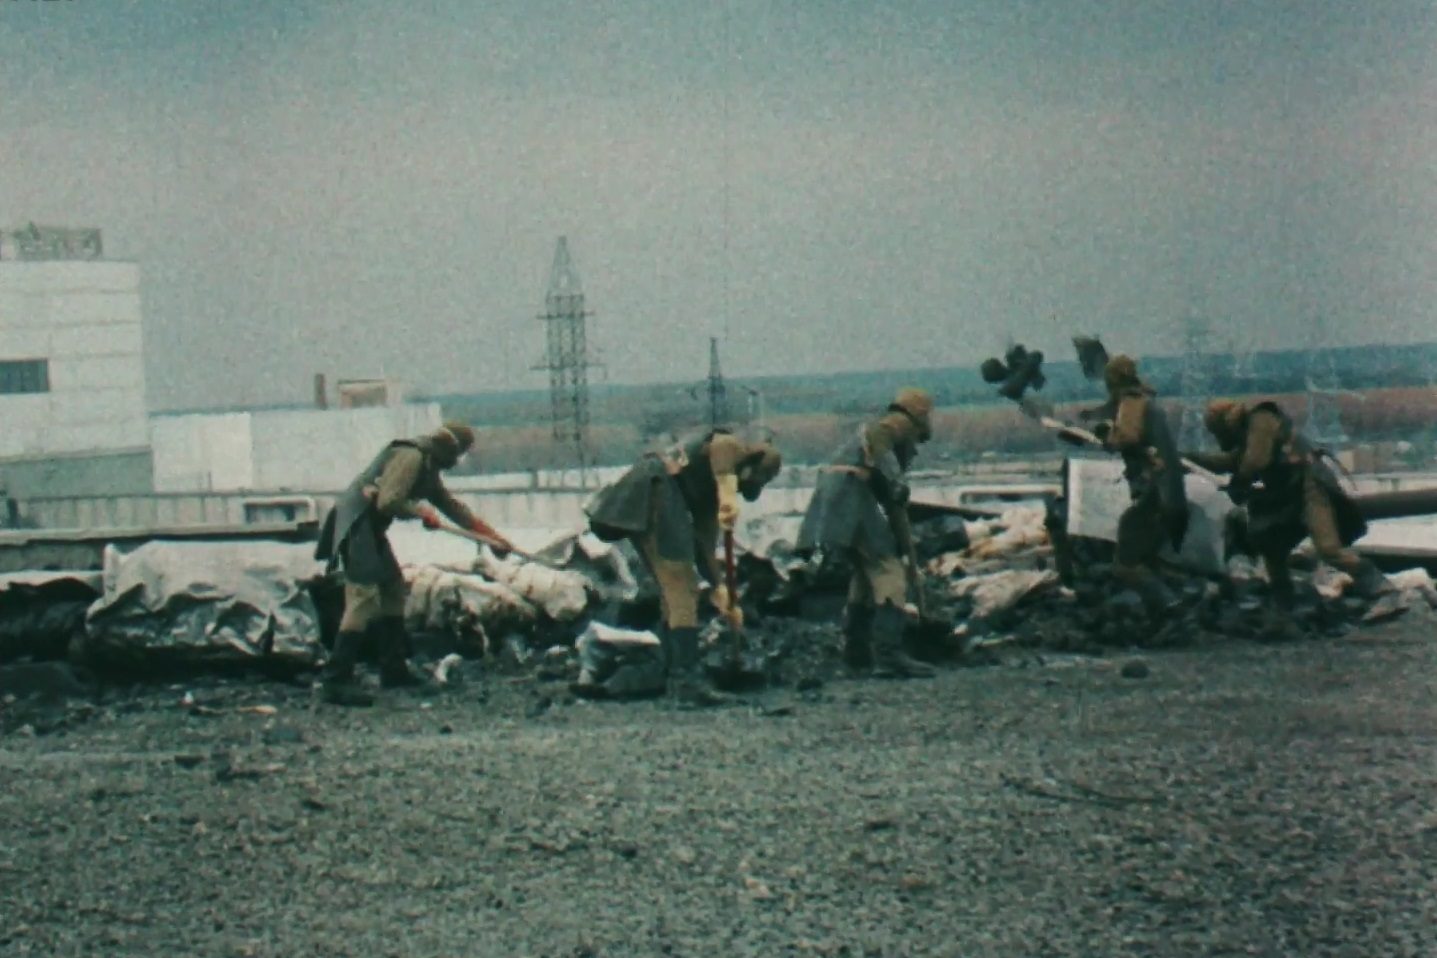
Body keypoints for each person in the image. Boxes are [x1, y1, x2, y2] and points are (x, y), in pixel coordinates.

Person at [314, 421, 515, 706]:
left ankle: (393, 669)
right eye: (459, 454)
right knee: (363, 597)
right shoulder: (412, 457)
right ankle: (335, 679)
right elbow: (388, 502)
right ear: (450, 449)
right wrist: (420, 512)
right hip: (356, 525)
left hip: (371, 529)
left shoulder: (427, 468)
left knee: (393, 588)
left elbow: (452, 508)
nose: (456, 462)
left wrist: (493, 538)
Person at [585, 427, 783, 705]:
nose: (738, 491)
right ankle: (686, 681)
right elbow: (721, 449)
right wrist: (727, 489)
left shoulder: (707, 492)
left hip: (651, 493)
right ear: (751, 465)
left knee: (673, 588)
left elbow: (704, 544)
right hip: (656, 488)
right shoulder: (731, 447)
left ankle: (672, 672)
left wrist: (721, 589)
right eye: (742, 484)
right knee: (682, 586)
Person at [1186, 398, 1389, 606]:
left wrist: (1240, 482)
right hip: (1287, 494)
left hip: (1309, 486)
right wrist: (1190, 458)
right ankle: (1285, 601)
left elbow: (1256, 460)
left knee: (1329, 549)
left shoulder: (1261, 420)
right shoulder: (1249, 434)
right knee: (1271, 547)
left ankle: (1380, 586)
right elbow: (1230, 460)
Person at [796, 388, 936, 678]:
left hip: (835, 495)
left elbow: (890, 501)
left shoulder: (867, 442)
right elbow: (883, 453)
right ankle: (888, 655)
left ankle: (856, 654)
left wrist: (901, 533)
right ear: (919, 413)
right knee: (888, 568)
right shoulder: (896, 425)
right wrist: (897, 484)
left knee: (864, 570)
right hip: (851, 493)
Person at [1082, 355, 1189, 619]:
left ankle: (1171, 605)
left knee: (1125, 564)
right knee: (1148, 557)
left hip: (1154, 493)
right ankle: (1168, 609)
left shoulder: (1132, 402)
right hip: (1170, 492)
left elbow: (1128, 437)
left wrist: (1108, 437)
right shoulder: (1147, 402)